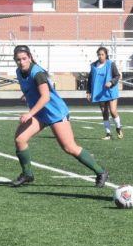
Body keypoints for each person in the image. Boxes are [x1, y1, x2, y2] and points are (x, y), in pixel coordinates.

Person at [10, 45, 109, 189]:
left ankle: (101, 171)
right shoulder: (19, 72)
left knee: (69, 147)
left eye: (24, 59)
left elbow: (45, 97)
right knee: (20, 139)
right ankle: (27, 174)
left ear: (30, 58)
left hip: (55, 113)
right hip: (40, 113)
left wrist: (29, 114)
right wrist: (27, 94)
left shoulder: (37, 73)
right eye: (18, 59)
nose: (21, 62)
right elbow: (34, 89)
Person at [86, 46, 123, 140]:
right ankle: (108, 133)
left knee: (113, 111)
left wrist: (111, 82)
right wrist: (88, 91)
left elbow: (117, 76)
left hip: (110, 91)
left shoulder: (111, 64)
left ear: (106, 55)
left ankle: (118, 127)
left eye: (102, 54)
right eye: (99, 54)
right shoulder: (93, 66)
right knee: (104, 112)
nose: (100, 56)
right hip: (99, 92)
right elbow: (90, 79)